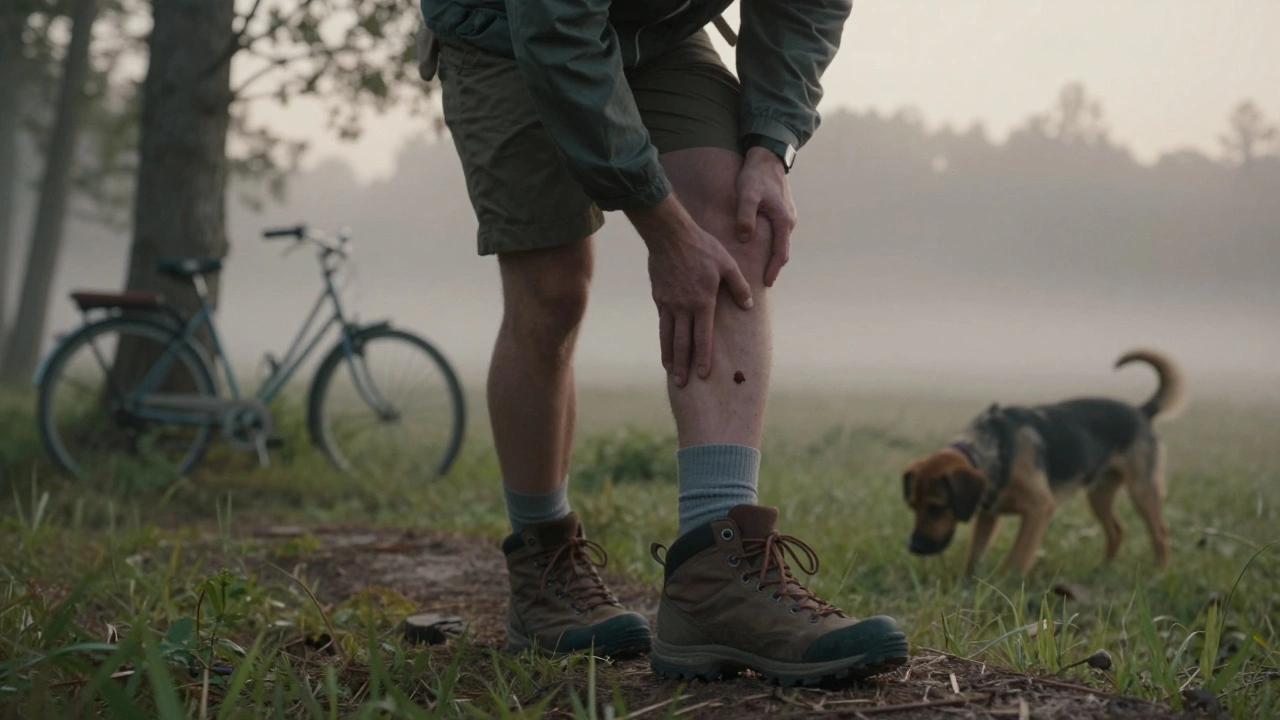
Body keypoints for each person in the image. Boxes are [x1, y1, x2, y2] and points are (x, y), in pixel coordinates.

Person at [417, 0, 909, 684]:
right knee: (553, 288)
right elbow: (556, 32)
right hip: (508, 29)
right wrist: (666, 232)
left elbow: (805, 7)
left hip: (660, 33)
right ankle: (542, 565)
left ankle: (716, 577)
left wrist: (773, 145)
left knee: (739, 220)